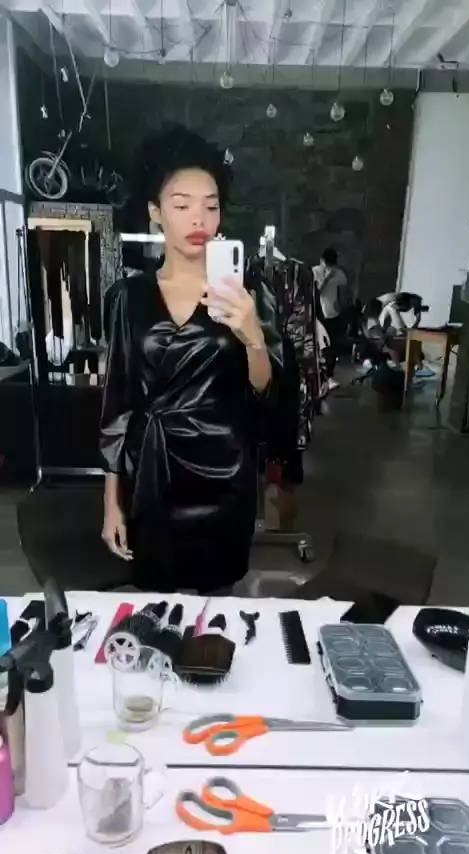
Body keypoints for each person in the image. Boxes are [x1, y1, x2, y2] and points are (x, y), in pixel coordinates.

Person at [99, 125, 283, 595]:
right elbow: (117, 404)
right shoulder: (127, 296)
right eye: (182, 205)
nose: (199, 218)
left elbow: (266, 394)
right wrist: (111, 503)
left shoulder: (247, 294)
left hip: (224, 474)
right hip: (151, 474)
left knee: (216, 613)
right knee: (156, 608)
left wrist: (253, 337)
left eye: (211, 205)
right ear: (156, 213)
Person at [313, 248, 349, 382]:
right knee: (317, 344)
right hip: (317, 313)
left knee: (332, 345)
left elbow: (343, 295)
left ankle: (328, 375)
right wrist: (327, 278)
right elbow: (316, 292)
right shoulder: (315, 271)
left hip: (333, 314)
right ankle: (317, 375)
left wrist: (340, 308)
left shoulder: (340, 274)